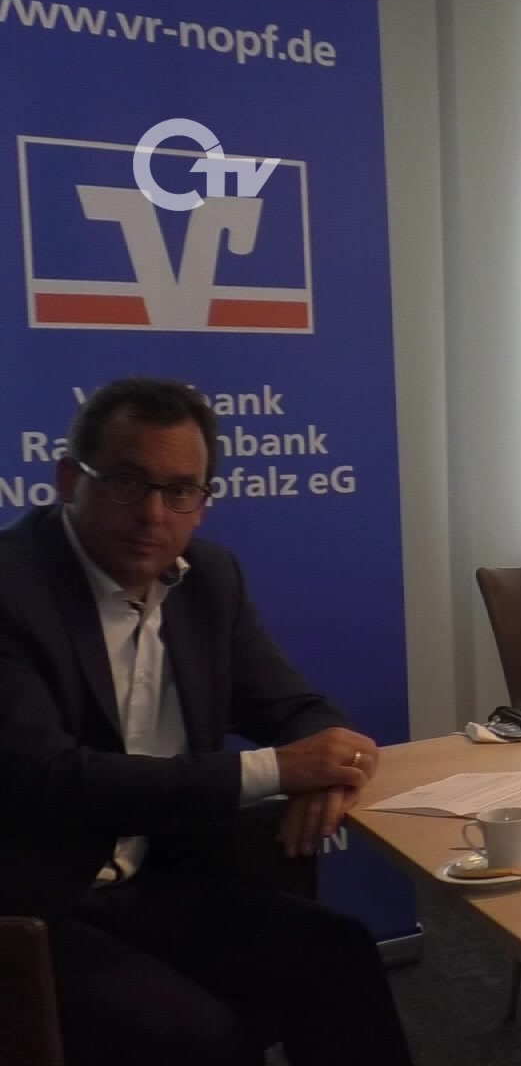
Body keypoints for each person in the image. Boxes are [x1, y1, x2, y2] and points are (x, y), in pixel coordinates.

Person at [0, 377, 413, 1066]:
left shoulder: (209, 579)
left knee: (338, 954)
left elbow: (294, 708)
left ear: (203, 502)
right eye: (127, 483)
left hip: (158, 879)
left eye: (179, 491)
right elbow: (51, 779)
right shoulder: (12, 589)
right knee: (198, 1035)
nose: (152, 515)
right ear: (70, 478)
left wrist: (329, 767)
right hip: (32, 904)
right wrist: (277, 770)